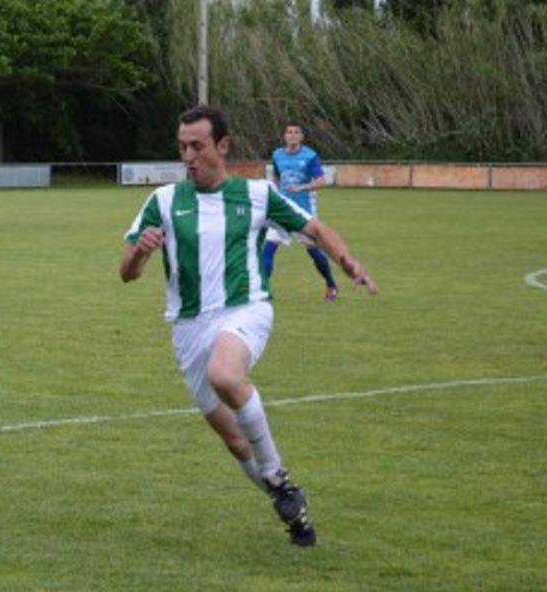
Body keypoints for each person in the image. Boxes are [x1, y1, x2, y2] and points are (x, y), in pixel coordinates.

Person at [119, 106, 376, 546]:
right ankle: (289, 504)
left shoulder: (257, 194)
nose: (188, 156)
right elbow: (127, 273)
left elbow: (314, 229)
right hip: (187, 328)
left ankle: (275, 473)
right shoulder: (163, 200)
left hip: (245, 310)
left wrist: (347, 262)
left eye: (197, 146)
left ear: (223, 146)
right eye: (182, 147)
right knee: (237, 443)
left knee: (225, 374)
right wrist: (141, 251)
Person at [262, 124, 339, 300]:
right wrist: (276, 192)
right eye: (289, 132)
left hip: (303, 212)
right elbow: (276, 175)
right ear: (284, 136)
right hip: (281, 210)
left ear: (301, 137)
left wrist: (301, 187)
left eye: (296, 132)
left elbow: (321, 181)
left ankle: (331, 285)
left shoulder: (309, 156)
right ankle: (263, 290)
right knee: (269, 247)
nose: (293, 135)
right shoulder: (277, 155)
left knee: (314, 251)